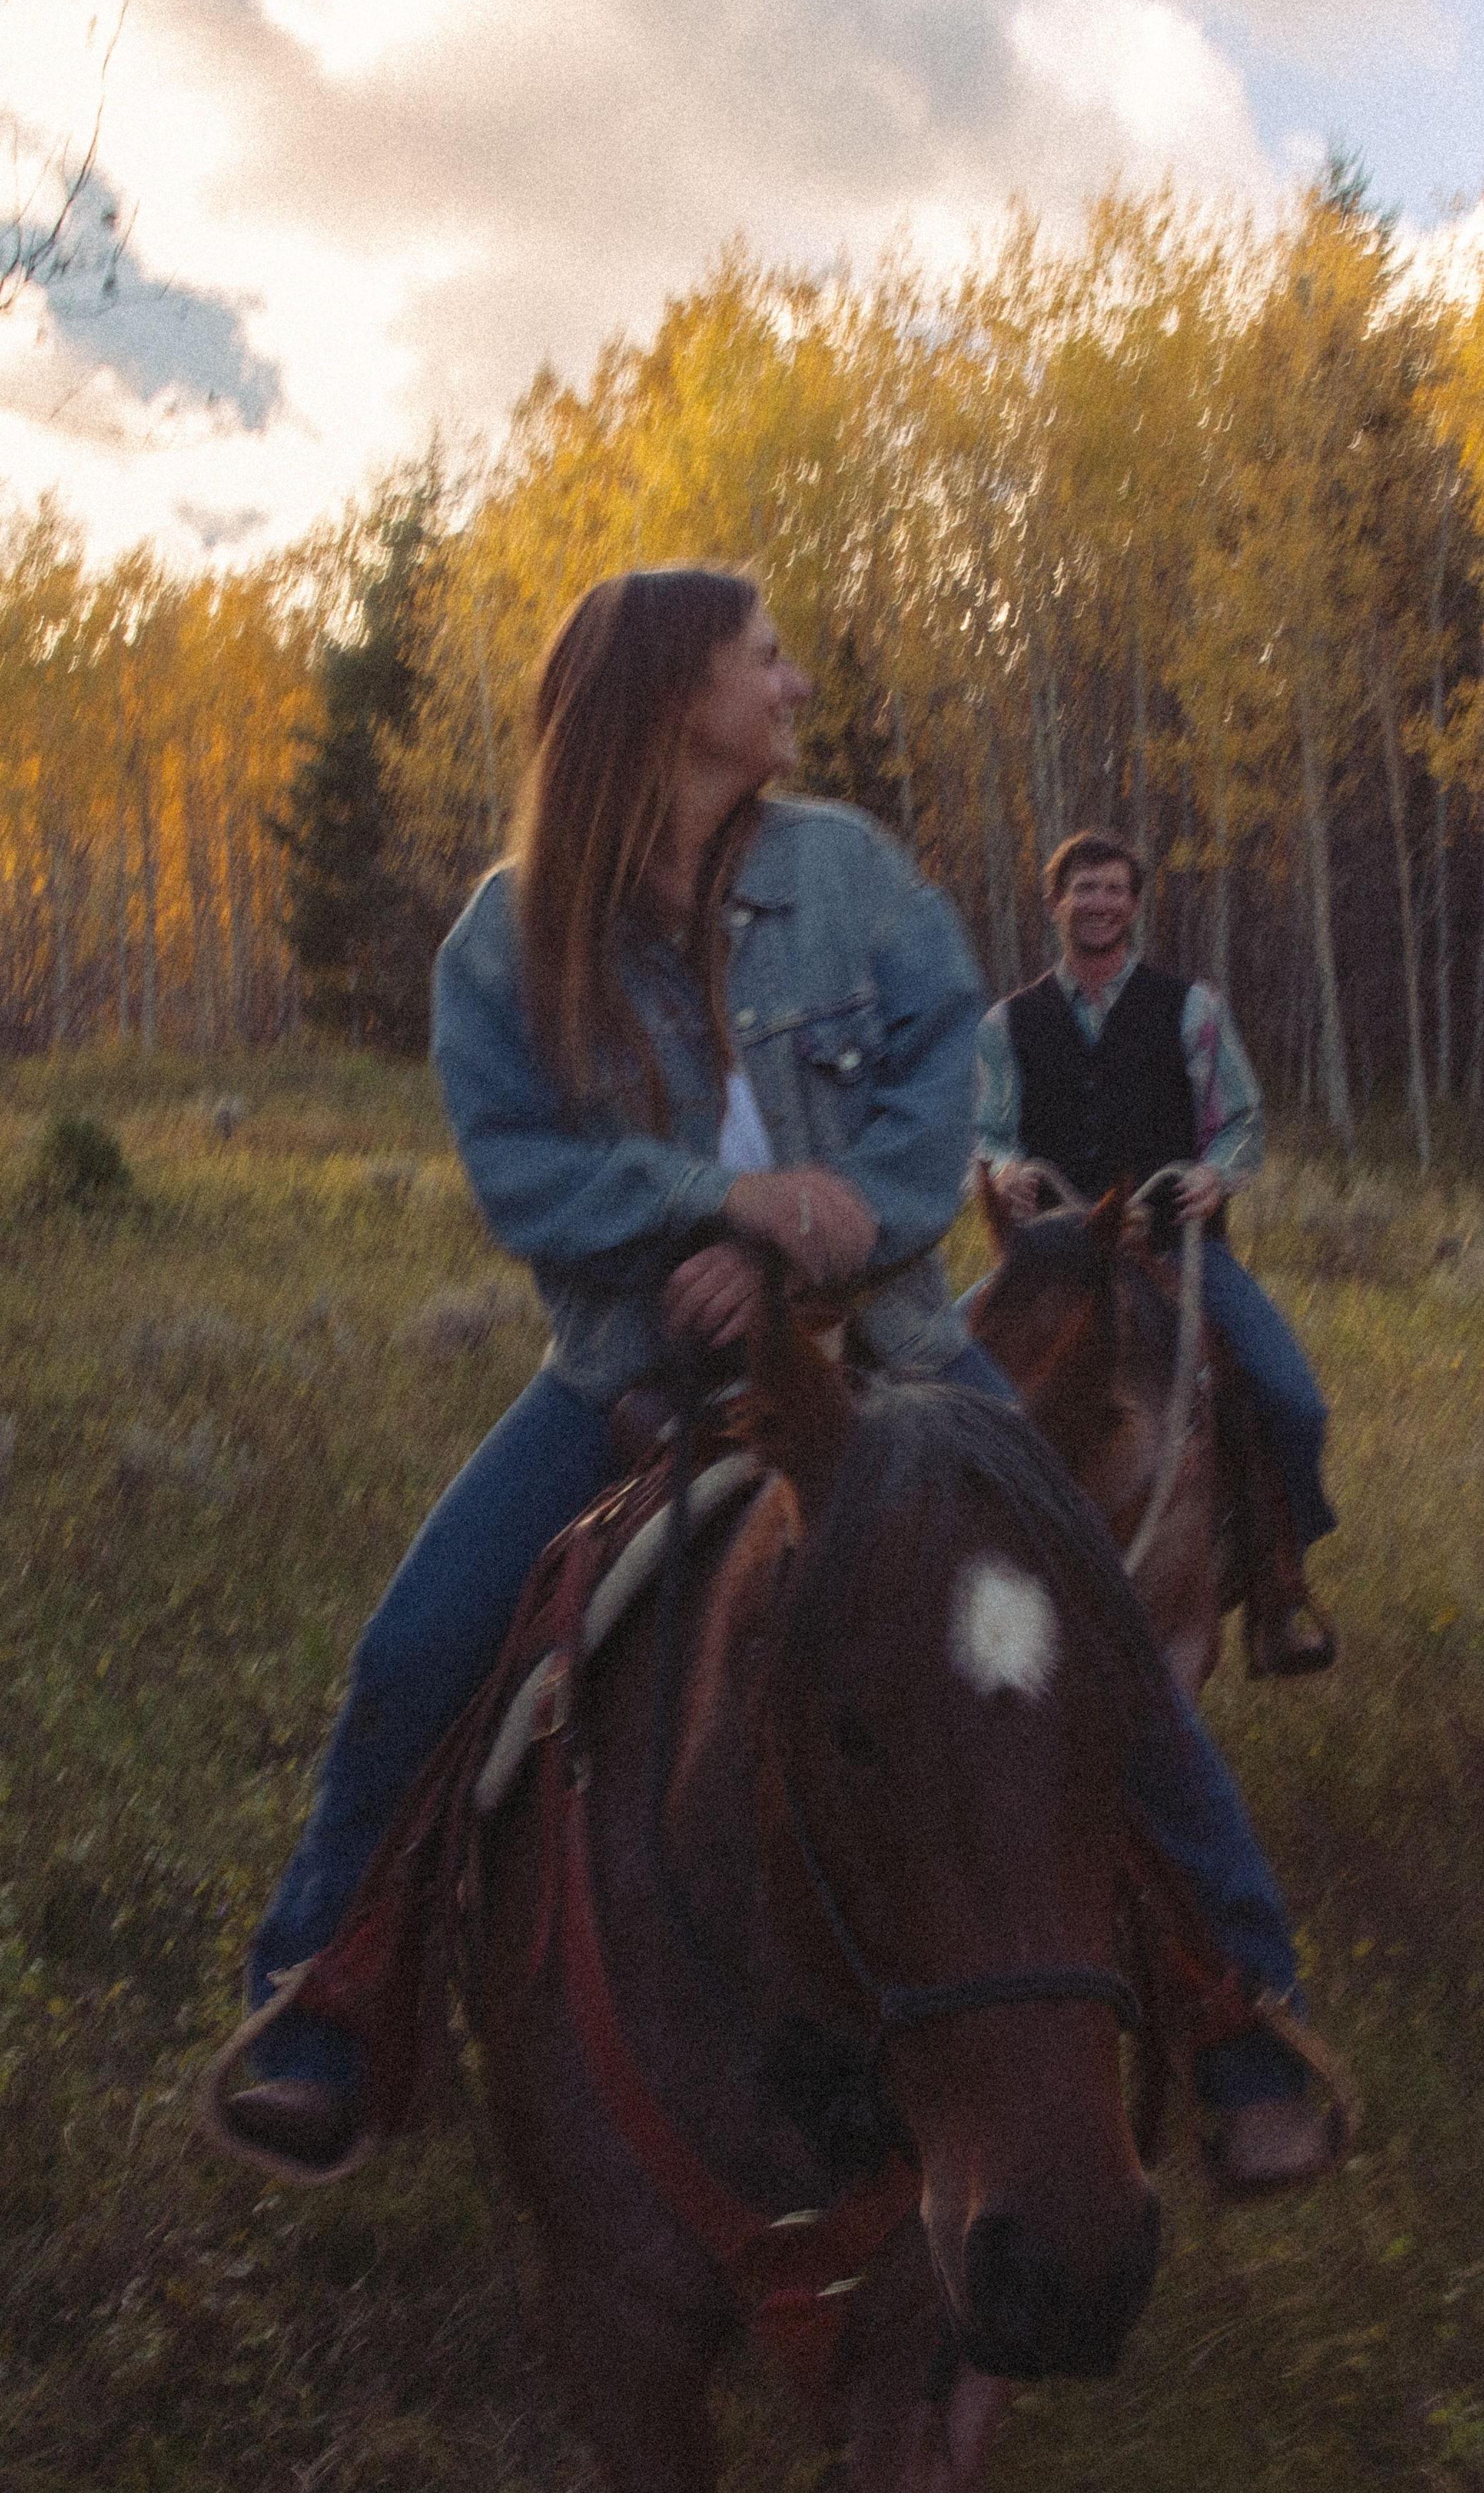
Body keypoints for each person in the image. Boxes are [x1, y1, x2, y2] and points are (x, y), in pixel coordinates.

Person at [224, 570, 1336, 2190]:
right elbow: (524, 1175)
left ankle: (1242, 2013)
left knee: (1094, 1635)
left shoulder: (849, 874)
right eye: (765, 661)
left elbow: (931, 1083)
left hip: (895, 1353)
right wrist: (719, 1206)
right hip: (628, 1373)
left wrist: (799, 1250)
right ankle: (328, 1996)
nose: (795, 686)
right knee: (416, 1647)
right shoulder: (502, 939)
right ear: (678, 693)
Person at [975, 830, 1337, 1676]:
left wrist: (1218, 1177)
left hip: (1175, 1252)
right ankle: (935, 1585)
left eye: (1113, 890)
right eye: (1082, 889)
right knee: (929, 1381)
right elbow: (986, 1134)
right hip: (1050, 1264)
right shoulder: (1008, 1023)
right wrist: (1004, 1168)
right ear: (1054, 903)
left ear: (1133, 906)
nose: (1098, 904)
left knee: (1290, 1400)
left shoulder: (1191, 1009)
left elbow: (1240, 1121)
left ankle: (1276, 1589)